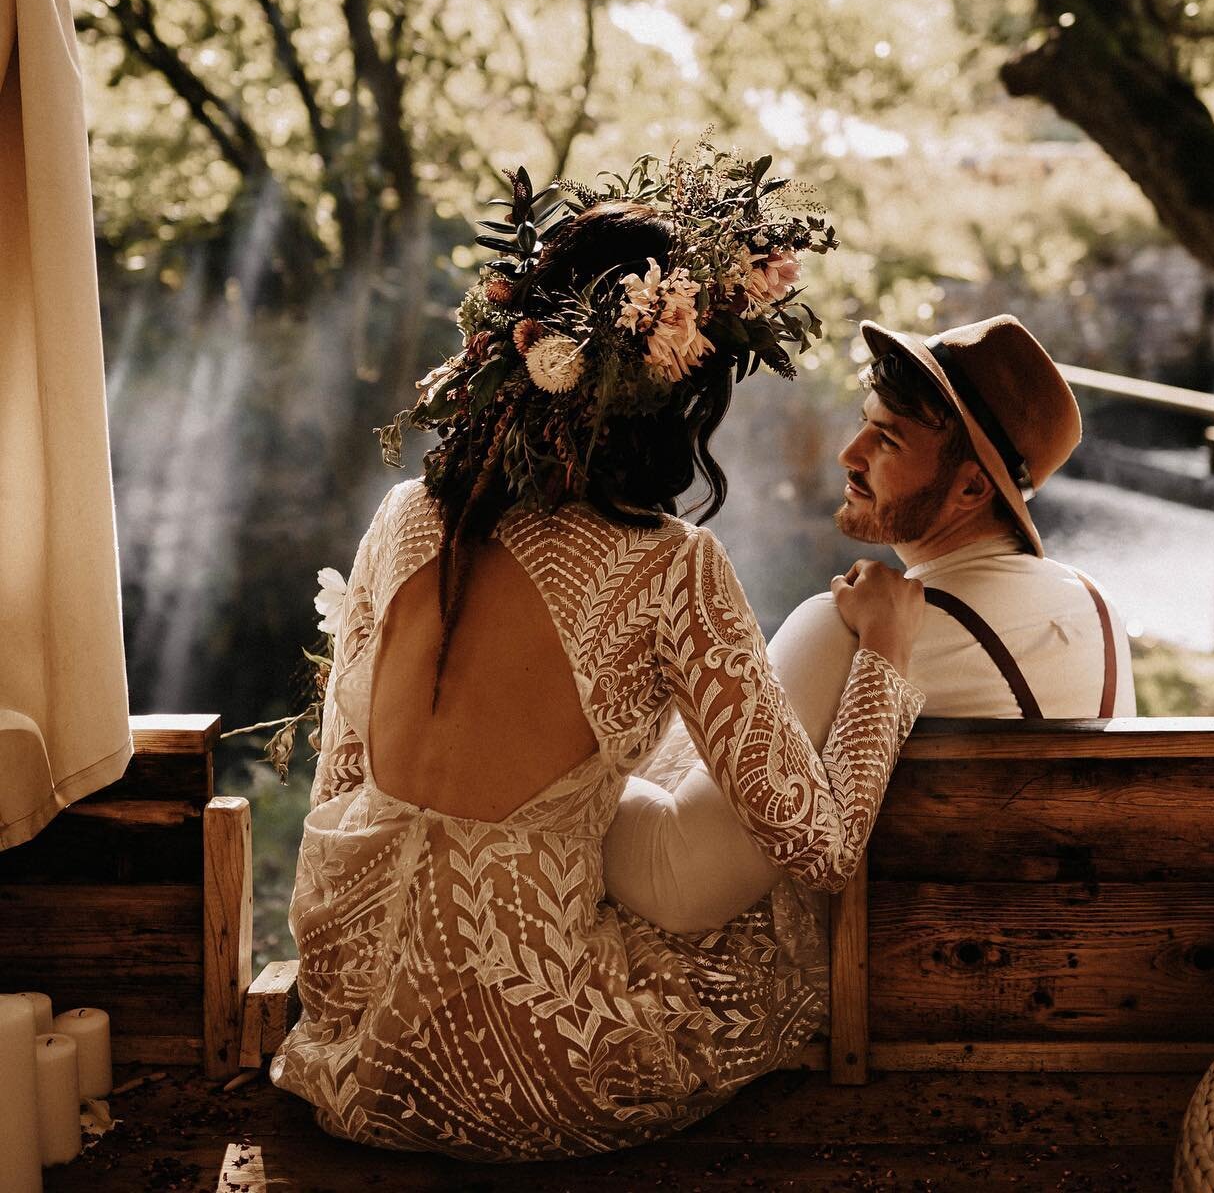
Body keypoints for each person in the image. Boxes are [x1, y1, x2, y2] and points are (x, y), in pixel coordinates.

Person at [269, 146, 925, 1162]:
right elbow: (823, 850)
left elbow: (341, 781)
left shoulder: (404, 520)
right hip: (539, 1071)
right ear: (682, 385)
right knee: (759, 932)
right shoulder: (669, 564)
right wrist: (884, 663)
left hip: (356, 1042)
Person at [604, 313, 1135, 935]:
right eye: (865, 424)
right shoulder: (1098, 608)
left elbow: (678, 882)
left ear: (970, 489)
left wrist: (566, 773)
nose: (848, 455)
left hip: (888, 992)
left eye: (887, 440)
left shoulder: (846, 631)